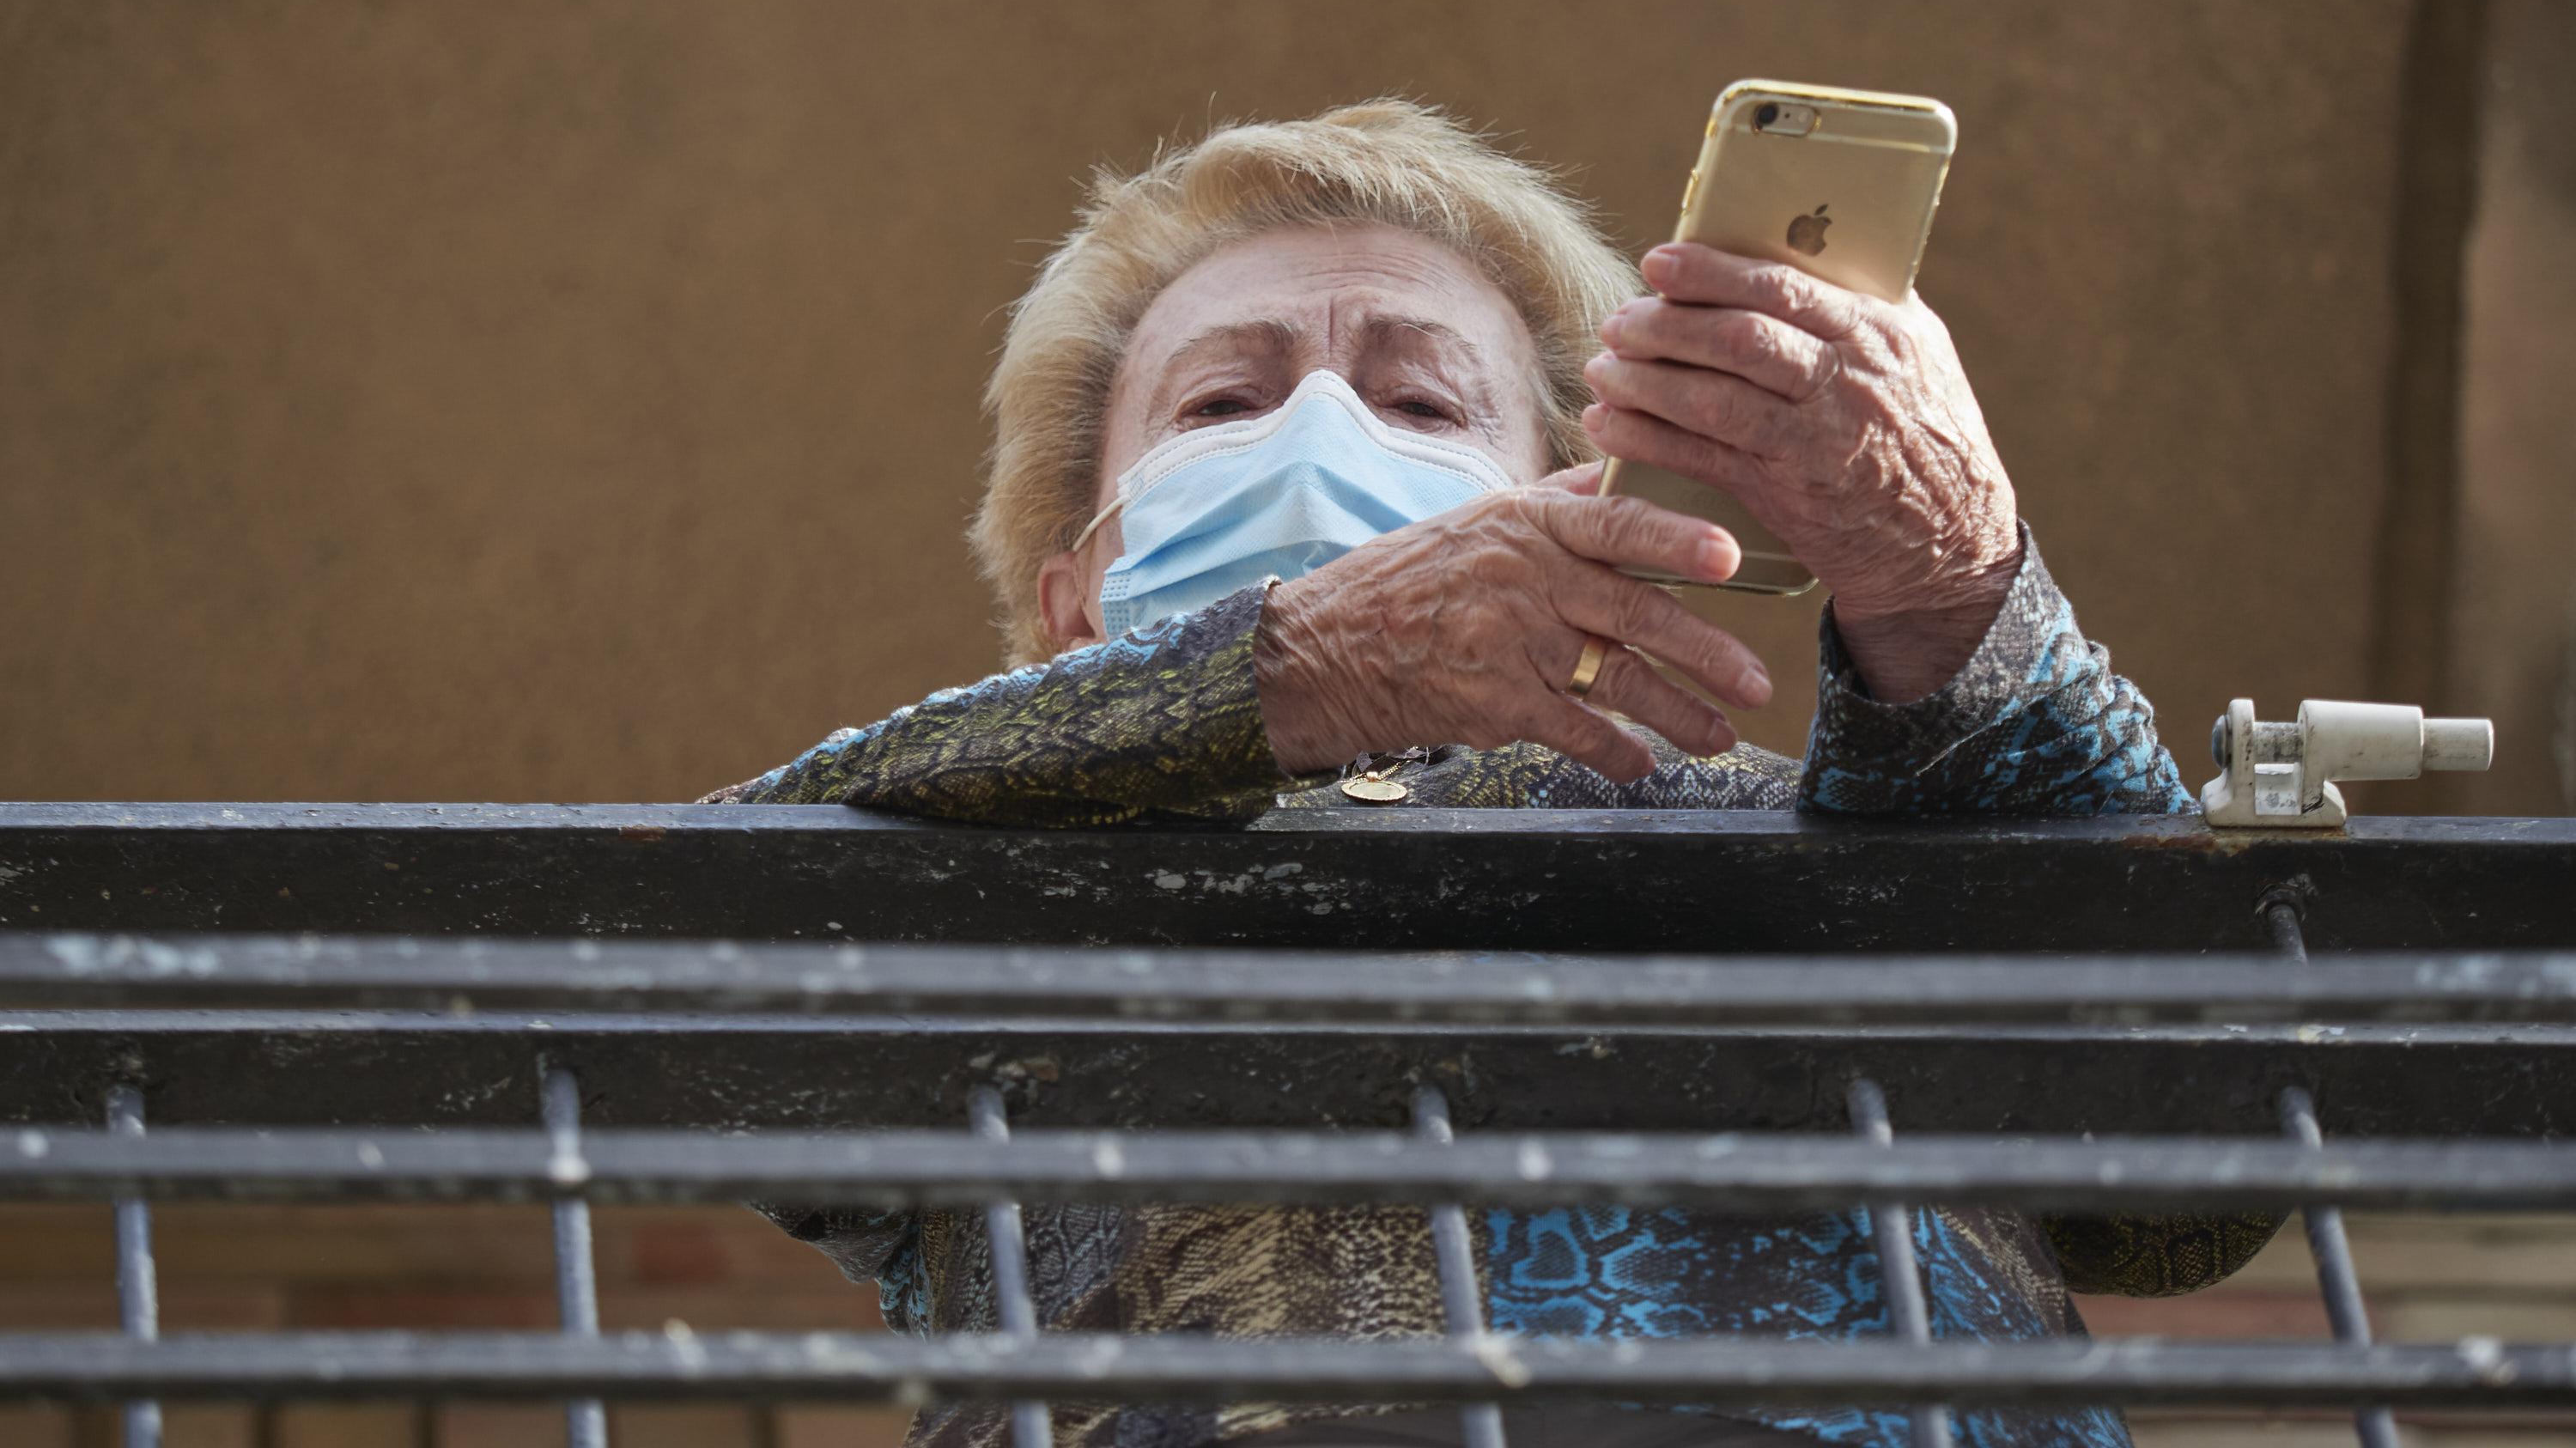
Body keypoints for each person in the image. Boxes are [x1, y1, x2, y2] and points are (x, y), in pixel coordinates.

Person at [704, 101, 2274, 1448]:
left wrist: (1949, 586)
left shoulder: (1805, 826)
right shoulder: (958, 856)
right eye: (1222, 404)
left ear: (1584, 503)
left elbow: (2191, 1191)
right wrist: (1295, 669)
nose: (1322, 428)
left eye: (1422, 400)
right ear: (1071, 609)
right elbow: (647, 955)